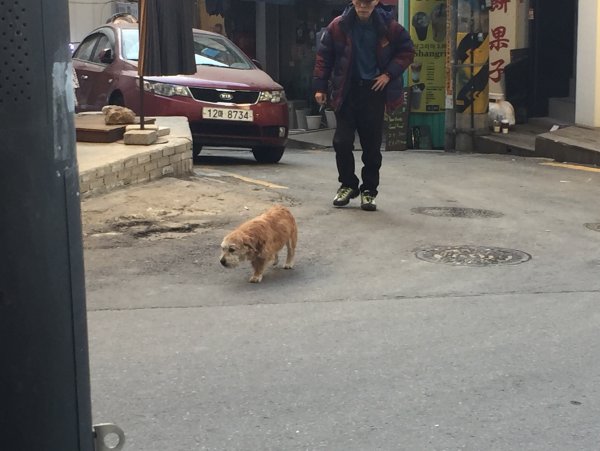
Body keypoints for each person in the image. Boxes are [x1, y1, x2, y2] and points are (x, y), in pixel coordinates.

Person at [313, 0, 414, 211]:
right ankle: (348, 185)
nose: (363, 6)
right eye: (359, 2)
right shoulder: (338, 26)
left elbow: (407, 50)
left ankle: (369, 191)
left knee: (371, 145)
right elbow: (324, 57)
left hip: (374, 91)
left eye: (368, 2)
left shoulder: (389, 26)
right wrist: (320, 87)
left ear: (376, 2)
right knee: (342, 142)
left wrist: (389, 74)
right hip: (347, 92)